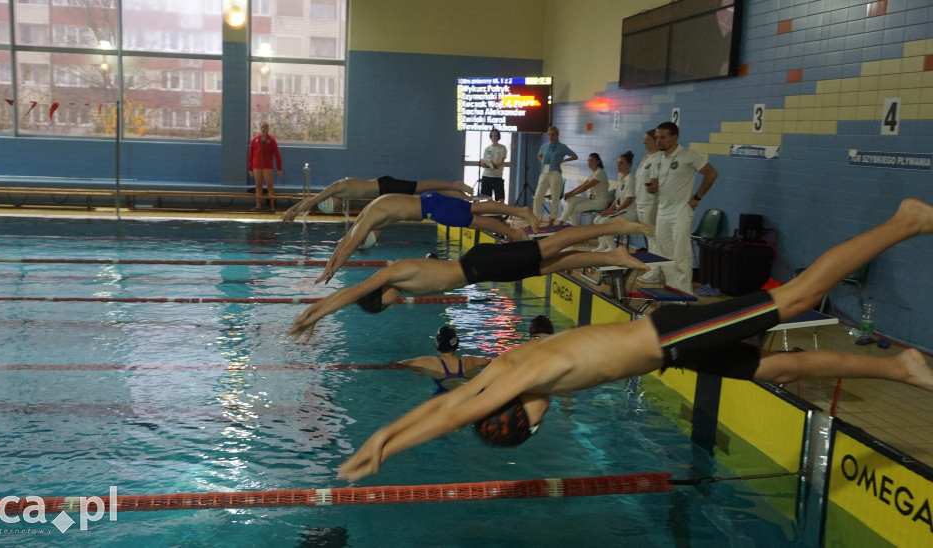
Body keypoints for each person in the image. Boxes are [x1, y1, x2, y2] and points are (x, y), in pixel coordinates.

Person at [336, 199, 933, 480]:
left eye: (535, 424)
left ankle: (905, 221)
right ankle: (902, 368)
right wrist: (384, 437)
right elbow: (450, 403)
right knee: (770, 371)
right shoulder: (503, 370)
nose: (545, 419)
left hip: (672, 335)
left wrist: (386, 446)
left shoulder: (522, 379)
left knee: (797, 298)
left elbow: (449, 414)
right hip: (673, 349)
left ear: (522, 414)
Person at [288, 217, 653, 342]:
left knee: (552, 246)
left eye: (381, 304)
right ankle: (611, 257)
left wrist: (312, 316)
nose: (389, 305)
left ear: (379, 293)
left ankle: (615, 228)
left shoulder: (393, 274)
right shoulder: (401, 283)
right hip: (485, 271)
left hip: (480, 263)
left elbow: (350, 292)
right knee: (551, 265)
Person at [314, 192, 540, 284]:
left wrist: (331, 271)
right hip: (429, 200)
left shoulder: (368, 223)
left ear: (367, 236)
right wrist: (329, 264)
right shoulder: (366, 215)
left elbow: (349, 246)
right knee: (474, 208)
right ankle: (520, 217)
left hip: (433, 210)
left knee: (477, 219)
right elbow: (345, 241)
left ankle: (517, 228)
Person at [646, 122, 718, 292]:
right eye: (656, 138)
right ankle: (671, 289)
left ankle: (684, 295)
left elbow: (711, 174)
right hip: (662, 212)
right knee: (663, 254)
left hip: (680, 212)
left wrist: (697, 197)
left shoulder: (688, 155)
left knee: (681, 256)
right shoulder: (656, 158)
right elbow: (654, 185)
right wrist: (652, 188)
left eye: (662, 137)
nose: (658, 141)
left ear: (674, 137)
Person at [281, 176, 472, 222]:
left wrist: (293, 210)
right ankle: (453, 194)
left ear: (330, 200)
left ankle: (455, 185)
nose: (339, 208)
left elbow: (312, 199)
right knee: (420, 197)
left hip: (385, 186)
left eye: (335, 208)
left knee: (420, 187)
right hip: (384, 191)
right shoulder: (342, 194)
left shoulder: (338, 187)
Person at [398, 326, 491, 395]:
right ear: (457, 344)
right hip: (472, 395)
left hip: (445, 398)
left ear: (437, 348)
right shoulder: (471, 361)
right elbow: (492, 364)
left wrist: (416, 368)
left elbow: (399, 365)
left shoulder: (431, 363)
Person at [589, 151, 638, 252]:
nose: (618, 165)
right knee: (597, 220)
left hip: (629, 212)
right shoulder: (621, 177)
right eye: (617, 163)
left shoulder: (631, 179)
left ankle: (612, 248)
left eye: (621, 163)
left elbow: (629, 200)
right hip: (621, 211)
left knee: (604, 222)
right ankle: (603, 245)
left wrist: (615, 211)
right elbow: (617, 199)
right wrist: (608, 210)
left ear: (628, 165)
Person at [531, 126, 578, 225]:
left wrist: (563, 160)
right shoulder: (544, 147)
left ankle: (552, 218)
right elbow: (539, 156)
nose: (551, 136)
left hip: (555, 173)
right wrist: (542, 161)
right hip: (545, 173)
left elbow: (575, 156)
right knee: (538, 196)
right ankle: (535, 219)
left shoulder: (562, 147)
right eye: (549, 134)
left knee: (555, 197)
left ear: (557, 135)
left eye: (553, 134)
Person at [635, 129, 663, 283]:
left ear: (655, 141)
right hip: (641, 202)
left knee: (653, 238)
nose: (644, 142)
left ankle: (657, 271)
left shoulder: (657, 158)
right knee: (650, 237)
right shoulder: (646, 157)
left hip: (650, 203)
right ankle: (653, 268)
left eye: (647, 139)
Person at [556, 153, 611, 227]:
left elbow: (586, 187)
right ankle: (566, 225)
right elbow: (583, 185)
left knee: (571, 208)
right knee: (571, 200)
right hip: (592, 200)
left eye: (591, 160)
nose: (589, 162)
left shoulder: (600, 172)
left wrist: (571, 194)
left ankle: (565, 226)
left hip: (600, 202)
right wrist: (570, 193)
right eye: (588, 160)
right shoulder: (593, 173)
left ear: (598, 162)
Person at [248, 122, 283, 212]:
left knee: (269, 186)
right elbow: (251, 155)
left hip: (267, 166)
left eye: (265, 128)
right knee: (258, 186)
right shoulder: (255, 140)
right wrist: (250, 168)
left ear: (268, 129)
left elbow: (277, 155)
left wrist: (279, 168)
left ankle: (272, 207)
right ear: (260, 128)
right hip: (257, 166)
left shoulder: (272, 141)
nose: (263, 129)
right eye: (262, 127)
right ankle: (258, 205)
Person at [479, 129, 508, 202]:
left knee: (501, 197)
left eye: (495, 136)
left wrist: (491, 165)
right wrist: (483, 164)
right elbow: (485, 161)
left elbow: (501, 162)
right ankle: (489, 212)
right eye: (492, 136)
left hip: (497, 176)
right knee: (487, 197)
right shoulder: (487, 149)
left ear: (498, 137)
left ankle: (501, 212)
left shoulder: (502, 147)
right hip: (486, 175)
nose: (494, 137)